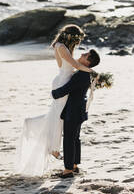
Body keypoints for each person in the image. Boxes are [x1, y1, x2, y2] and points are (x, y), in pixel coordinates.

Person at [16, 24, 94, 177]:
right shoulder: (62, 47)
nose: (78, 43)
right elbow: (75, 65)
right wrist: (92, 71)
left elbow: (75, 65)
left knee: (60, 116)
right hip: (62, 81)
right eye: (77, 40)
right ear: (71, 37)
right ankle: (54, 148)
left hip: (66, 79)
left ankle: (61, 154)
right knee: (58, 115)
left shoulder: (64, 47)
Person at [52, 49, 100, 178]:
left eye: (86, 55)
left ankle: (68, 170)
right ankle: (74, 165)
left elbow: (68, 88)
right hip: (78, 109)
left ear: (88, 62)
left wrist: (54, 93)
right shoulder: (84, 73)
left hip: (74, 110)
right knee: (74, 138)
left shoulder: (82, 75)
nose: (82, 54)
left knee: (69, 139)